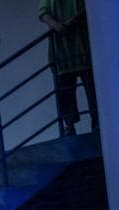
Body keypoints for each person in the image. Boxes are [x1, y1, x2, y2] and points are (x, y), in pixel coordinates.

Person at [40, 0, 97, 135]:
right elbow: (43, 12)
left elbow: (90, 7)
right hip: (62, 52)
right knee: (65, 93)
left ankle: (97, 125)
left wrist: (71, 22)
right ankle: (70, 127)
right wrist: (56, 25)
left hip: (82, 48)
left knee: (92, 90)